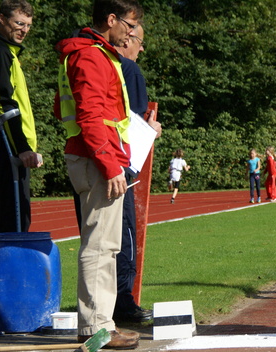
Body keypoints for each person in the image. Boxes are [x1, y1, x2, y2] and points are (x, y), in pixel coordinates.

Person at [54, 0, 155, 349]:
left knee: (106, 245)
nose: (131, 33)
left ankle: (102, 323)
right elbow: (91, 115)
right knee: (100, 246)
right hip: (98, 161)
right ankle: (97, 327)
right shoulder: (91, 55)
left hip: (97, 157)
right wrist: (111, 165)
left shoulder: (91, 53)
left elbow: (69, 109)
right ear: (110, 20)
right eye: (128, 25)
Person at [0, 0, 43, 296]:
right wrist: (24, 148)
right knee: (14, 217)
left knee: (16, 216)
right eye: (18, 23)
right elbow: (7, 106)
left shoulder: (7, 53)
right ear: (2, 20)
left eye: (27, 25)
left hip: (9, 143)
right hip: (4, 143)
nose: (24, 30)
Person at [112, 22, 160, 323]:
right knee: (123, 235)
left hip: (91, 157)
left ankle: (102, 305)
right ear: (128, 38)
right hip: (120, 164)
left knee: (99, 239)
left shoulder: (89, 62)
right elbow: (134, 120)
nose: (141, 48)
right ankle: (123, 301)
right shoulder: (129, 70)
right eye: (140, 41)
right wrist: (151, 130)